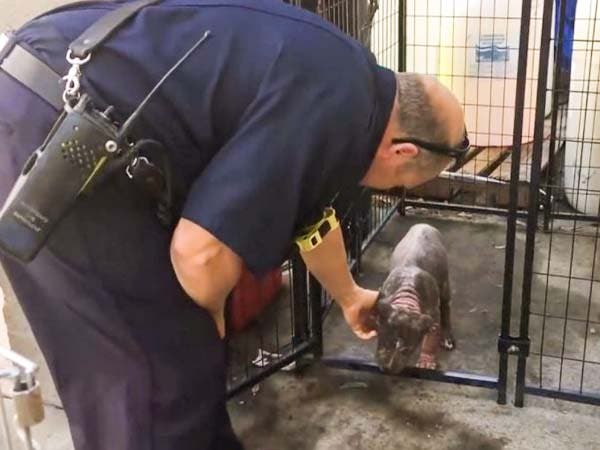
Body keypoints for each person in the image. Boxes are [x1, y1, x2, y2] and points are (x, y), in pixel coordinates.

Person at [0, 0, 467, 449]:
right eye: (404, 184)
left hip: (57, 97)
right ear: (402, 152)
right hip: (58, 131)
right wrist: (210, 317)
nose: (392, 191)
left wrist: (347, 296)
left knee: (174, 376)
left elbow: (311, 216)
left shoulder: (348, 83)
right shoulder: (335, 109)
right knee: (155, 382)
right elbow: (199, 253)